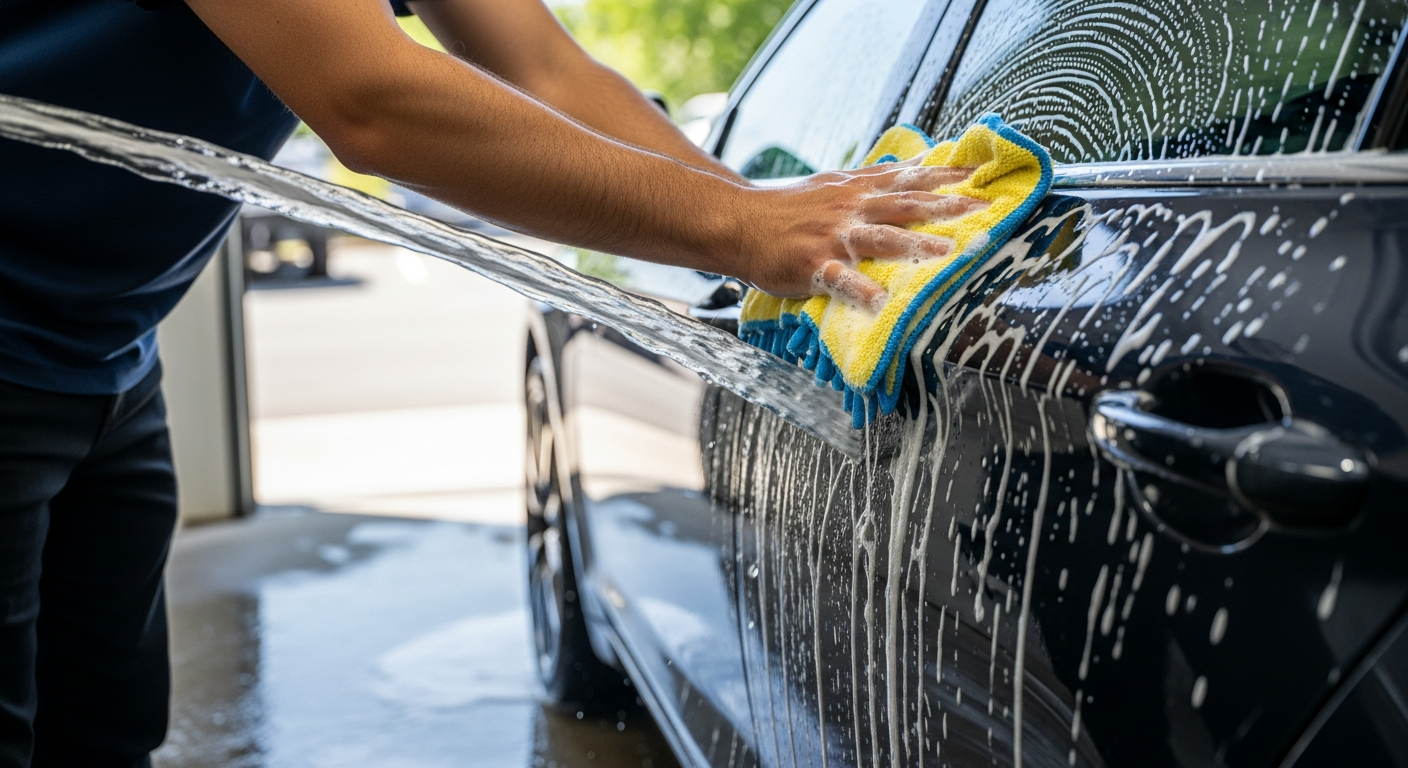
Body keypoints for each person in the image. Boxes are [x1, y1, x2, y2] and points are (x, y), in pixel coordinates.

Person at [0, 0, 978, 765]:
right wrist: (737, 225)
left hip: (104, 349)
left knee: (101, 733)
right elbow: (370, 98)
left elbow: (546, 68)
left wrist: (751, 230)